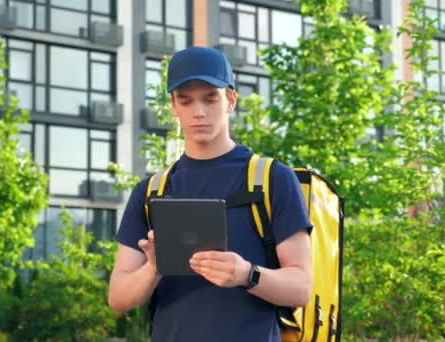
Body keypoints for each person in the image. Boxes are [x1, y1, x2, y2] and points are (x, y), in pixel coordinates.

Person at [108, 46, 312, 342]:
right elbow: (118, 297)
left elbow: (302, 287)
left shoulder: (271, 179)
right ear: (173, 106)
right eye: (186, 100)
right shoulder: (151, 191)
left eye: (210, 98)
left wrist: (246, 274)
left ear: (230, 100)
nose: (198, 112)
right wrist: (154, 266)